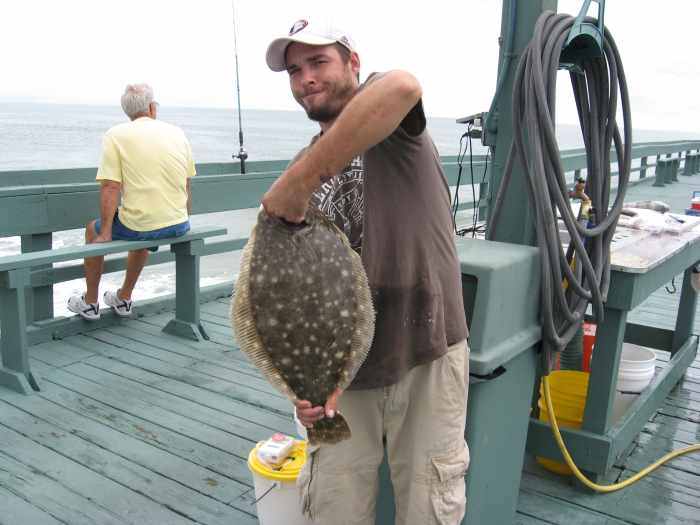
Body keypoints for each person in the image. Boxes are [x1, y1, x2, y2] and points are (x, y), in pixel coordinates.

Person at [263, 20, 470, 524]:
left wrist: (299, 185)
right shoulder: (302, 164)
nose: (305, 78)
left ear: (354, 63)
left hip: (426, 350)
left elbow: (402, 87)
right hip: (343, 374)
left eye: (318, 62)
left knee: (428, 504)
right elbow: (294, 290)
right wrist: (301, 387)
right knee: (334, 506)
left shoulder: (394, 125)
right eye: (294, 70)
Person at [67, 84, 195, 320]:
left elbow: (110, 186)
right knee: (140, 223)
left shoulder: (116, 135)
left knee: (93, 229)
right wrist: (183, 217)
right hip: (179, 224)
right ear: (151, 107)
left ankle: (90, 302)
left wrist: (104, 233)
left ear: (128, 112)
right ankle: (123, 297)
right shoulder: (177, 133)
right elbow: (186, 182)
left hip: (144, 225)